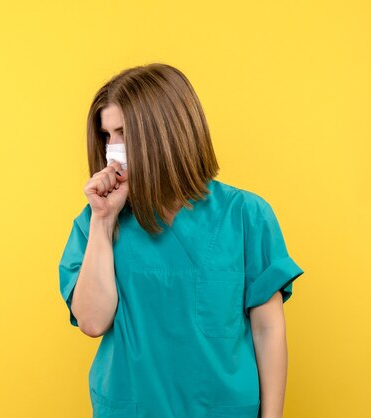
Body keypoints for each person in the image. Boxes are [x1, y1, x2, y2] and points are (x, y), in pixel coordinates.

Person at [58, 63, 305, 418]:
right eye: (106, 136)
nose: (112, 148)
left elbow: (268, 330)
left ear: (165, 133)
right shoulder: (95, 224)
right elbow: (92, 322)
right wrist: (103, 219)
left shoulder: (244, 215)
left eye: (124, 133)